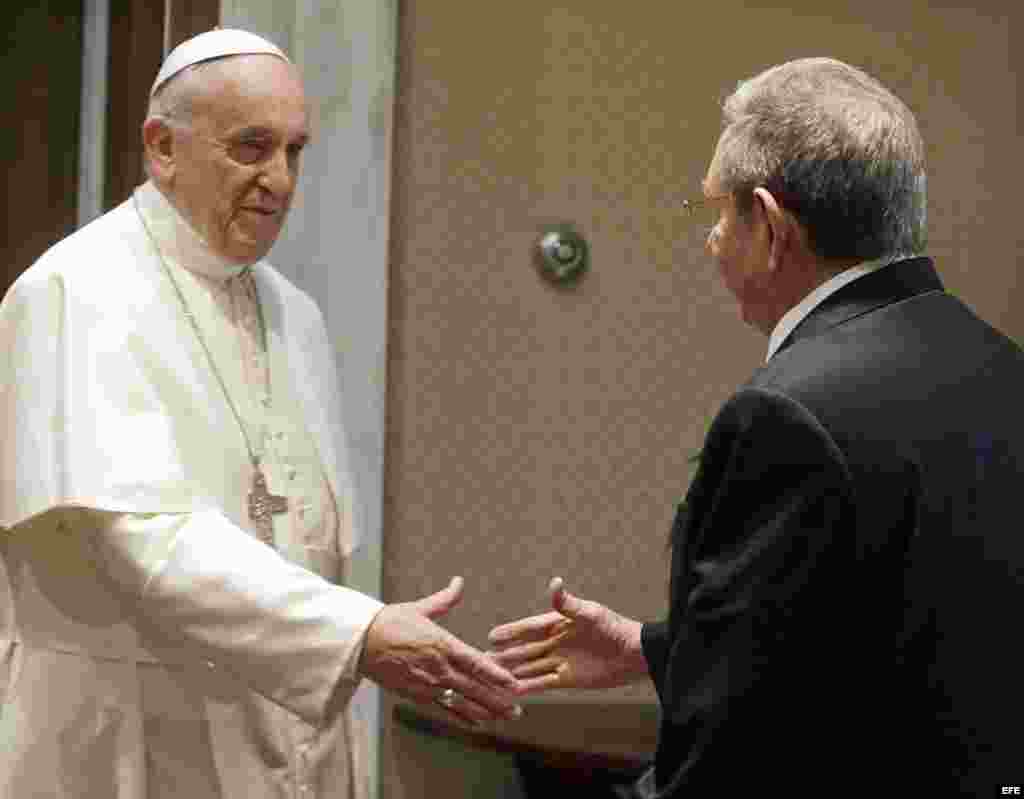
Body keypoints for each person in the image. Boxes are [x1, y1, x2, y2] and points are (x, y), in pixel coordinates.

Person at [0, 29, 521, 799]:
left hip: (281, 740)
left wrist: (352, 639)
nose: (279, 179)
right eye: (251, 147)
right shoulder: (73, 292)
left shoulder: (296, 316)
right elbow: (144, 539)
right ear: (162, 146)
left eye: (294, 151)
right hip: (127, 747)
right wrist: (359, 632)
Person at [490, 57, 1023, 796]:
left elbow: (729, 760)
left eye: (718, 210)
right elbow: (891, 632)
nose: (711, 239)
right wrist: (657, 648)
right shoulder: (1002, 367)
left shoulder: (786, 415)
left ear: (770, 225)